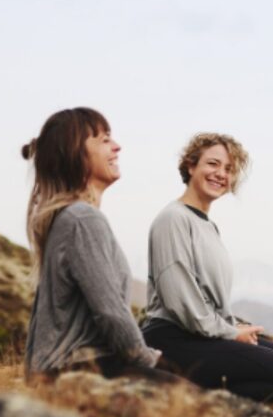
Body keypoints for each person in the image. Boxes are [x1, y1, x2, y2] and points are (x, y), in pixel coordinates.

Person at [141, 132, 273, 401]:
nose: (221, 174)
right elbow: (181, 300)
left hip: (199, 333)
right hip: (172, 339)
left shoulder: (207, 225)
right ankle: (194, 401)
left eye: (229, 169)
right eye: (213, 164)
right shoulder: (173, 219)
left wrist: (231, 329)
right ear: (190, 166)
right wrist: (230, 333)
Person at [22, 107, 173, 382]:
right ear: (75, 153)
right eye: (105, 140)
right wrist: (150, 359)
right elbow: (110, 311)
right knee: (207, 411)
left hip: (71, 368)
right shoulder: (82, 218)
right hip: (78, 370)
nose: (117, 146)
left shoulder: (73, 217)